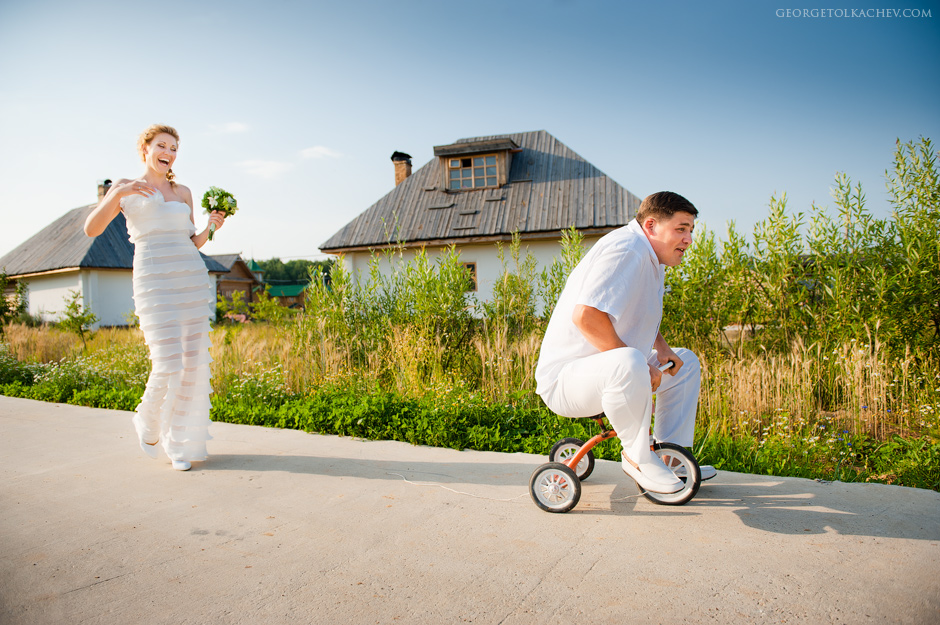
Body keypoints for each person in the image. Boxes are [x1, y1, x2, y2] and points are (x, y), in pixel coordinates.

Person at [535, 191, 715, 494]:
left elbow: (631, 312)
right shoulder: (626, 250)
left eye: (690, 231)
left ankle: (672, 459)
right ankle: (637, 456)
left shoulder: (651, 256)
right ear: (651, 225)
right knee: (630, 360)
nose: (688, 239)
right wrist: (640, 364)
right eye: (681, 229)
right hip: (566, 381)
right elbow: (586, 316)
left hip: (607, 370)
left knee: (684, 364)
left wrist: (660, 347)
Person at [84, 124, 226, 471]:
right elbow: (91, 229)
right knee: (167, 362)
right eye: (162, 145)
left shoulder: (184, 191)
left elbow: (192, 242)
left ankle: (177, 444)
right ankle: (146, 420)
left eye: (174, 148)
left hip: (190, 279)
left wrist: (211, 228)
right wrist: (117, 193)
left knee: (192, 365)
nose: (169, 152)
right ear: (145, 149)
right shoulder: (125, 189)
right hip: (153, 280)